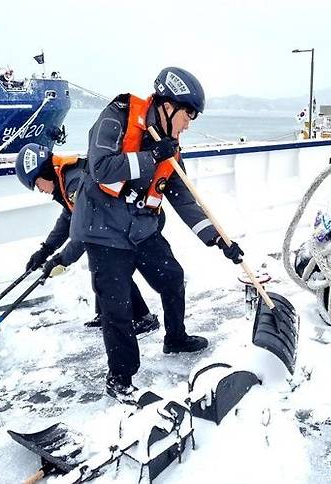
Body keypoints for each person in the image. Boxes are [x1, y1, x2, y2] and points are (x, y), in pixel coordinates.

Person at [70, 67, 244, 401]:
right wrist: (150, 156)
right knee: (117, 307)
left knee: (172, 278)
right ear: (167, 106)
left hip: (142, 228)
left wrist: (219, 239)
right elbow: (100, 167)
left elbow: (184, 198)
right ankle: (120, 377)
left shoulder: (170, 147)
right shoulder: (116, 118)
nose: (188, 125)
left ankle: (175, 338)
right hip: (103, 229)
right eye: (187, 115)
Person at [14, 143, 160, 336]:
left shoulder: (74, 182)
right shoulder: (65, 178)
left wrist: (60, 261)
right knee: (100, 266)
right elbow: (69, 217)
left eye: (37, 184)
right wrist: (46, 249)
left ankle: (144, 317)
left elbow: (84, 232)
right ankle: (105, 313)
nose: (40, 190)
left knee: (112, 273)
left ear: (44, 172)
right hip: (113, 223)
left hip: (130, 223)